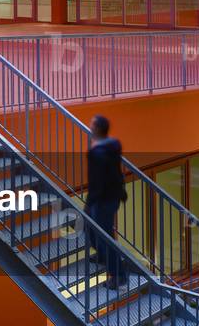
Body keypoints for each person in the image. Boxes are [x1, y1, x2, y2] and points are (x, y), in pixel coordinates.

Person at [84, 114, 128, 289]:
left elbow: (97, 182)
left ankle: (118, 276)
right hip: (113, 196)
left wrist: (89, 203)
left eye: (92, 126)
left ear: (98, 129)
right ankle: (102, 256)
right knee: (92, 229)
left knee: (104, 238)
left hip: (102, 200)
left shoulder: (97, 154)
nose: (89, 128)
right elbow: (114, 173)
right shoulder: (113, 146)